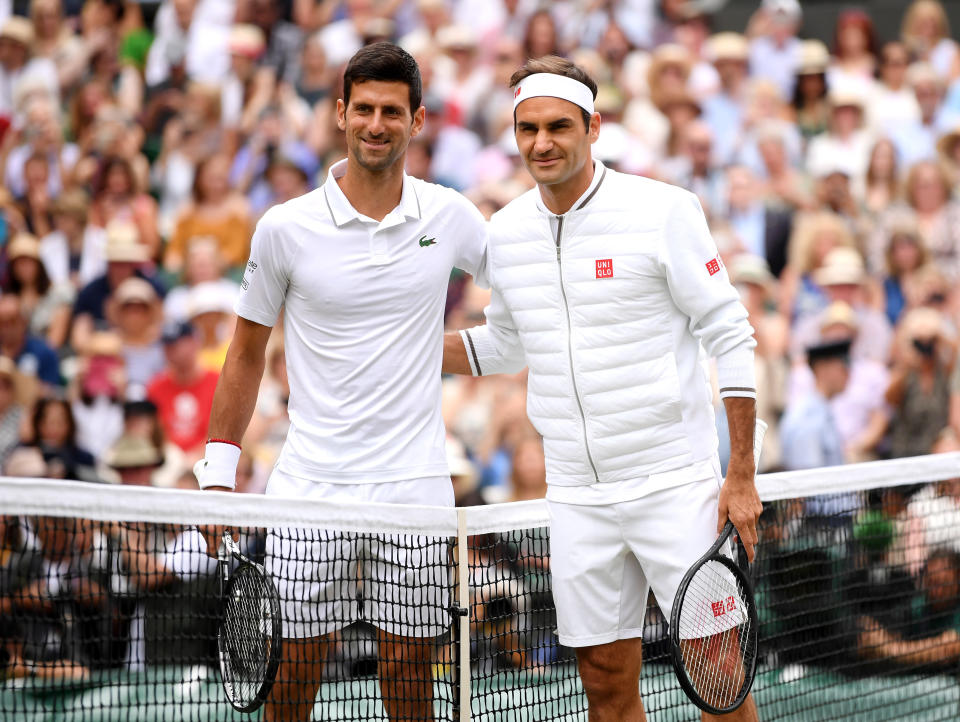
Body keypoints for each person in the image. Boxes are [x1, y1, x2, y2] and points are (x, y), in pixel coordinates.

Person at [442, 56, 761, 722]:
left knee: (719, 677)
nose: (542, 143)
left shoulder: (664, 209)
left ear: (594, 126)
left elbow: (730, 335)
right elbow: (503, 343)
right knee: (603, 682)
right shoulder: (505, 231)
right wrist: (400, 348)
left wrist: (740, 476)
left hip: (675, 482)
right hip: (577, 497)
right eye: (527, 129)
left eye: (559, 126)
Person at [193, 43, 487, 722]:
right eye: (364, 109)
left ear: (417, 122)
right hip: (310, 488)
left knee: (411, 675)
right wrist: (218, 474)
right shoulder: (283, 229)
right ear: (340, 114)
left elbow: (528, 298)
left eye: (392, 111)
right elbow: (244, 354)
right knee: (293, 675)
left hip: (414, 486)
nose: (376, 124)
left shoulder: (452, 218)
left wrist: (447, 350)